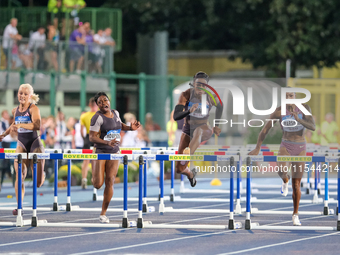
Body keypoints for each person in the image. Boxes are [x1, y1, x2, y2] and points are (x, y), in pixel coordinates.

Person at [249, 90, 315, 226]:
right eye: (285, 97)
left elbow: (313, 127)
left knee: (296, 185)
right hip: (286, 144)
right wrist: (257, 147)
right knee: (281, 170)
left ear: (295, 97)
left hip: (300, 147)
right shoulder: (279, 111)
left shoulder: (305, 108)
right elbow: (265, 130)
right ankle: (285, 179)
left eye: (291, 96)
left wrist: (299, 120)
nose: (288, 98)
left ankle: (295, 214)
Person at [89, 92, 140, 223]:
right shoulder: (97, 118)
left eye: (105, 100)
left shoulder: (116, 113)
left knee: (110, 181)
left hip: (114, 152)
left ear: (109, 101)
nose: (103, 103)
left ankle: (103, 213)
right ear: (98, 105)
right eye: (100, 102)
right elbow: (92, 137)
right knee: (97, 184)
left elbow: (119, 125)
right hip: (101, 151)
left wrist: (130, 128)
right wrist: (106, 142)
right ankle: (94, 174)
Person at [0, 84, 45, 215]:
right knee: (19, 176)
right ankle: (19, 207)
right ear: (17, 94)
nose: (22, 96)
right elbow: (14, 125)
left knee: (38, 183)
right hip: (22, 144)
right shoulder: (15, 111)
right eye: (20, 93)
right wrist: (4, 134)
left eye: (25, 94)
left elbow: (37, 125)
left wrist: (21, 124)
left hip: (35, 144)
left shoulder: (33, 108)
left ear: (30, 96)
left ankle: (42, 174)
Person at [173, 71, 222, 187]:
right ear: (193, 84)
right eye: (198, 85)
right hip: (187, 130)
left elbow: (220, 106)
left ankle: (188, 154)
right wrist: (188, 111)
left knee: (198, 131)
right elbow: (176, 116)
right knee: (179, 169)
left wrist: (217, 125)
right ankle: (190, 174)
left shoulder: (211, 97)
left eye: (203, 85)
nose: (201, 88)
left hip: (204, 128)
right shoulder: (185, 95)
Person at [80, 98, 98, 189]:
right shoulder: (100, 115)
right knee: (95, 160)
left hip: (88, 137)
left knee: (87, 160)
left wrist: (84, 139)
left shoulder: (84, 116)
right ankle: (93, 180)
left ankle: (84, 179)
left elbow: (81, 131)